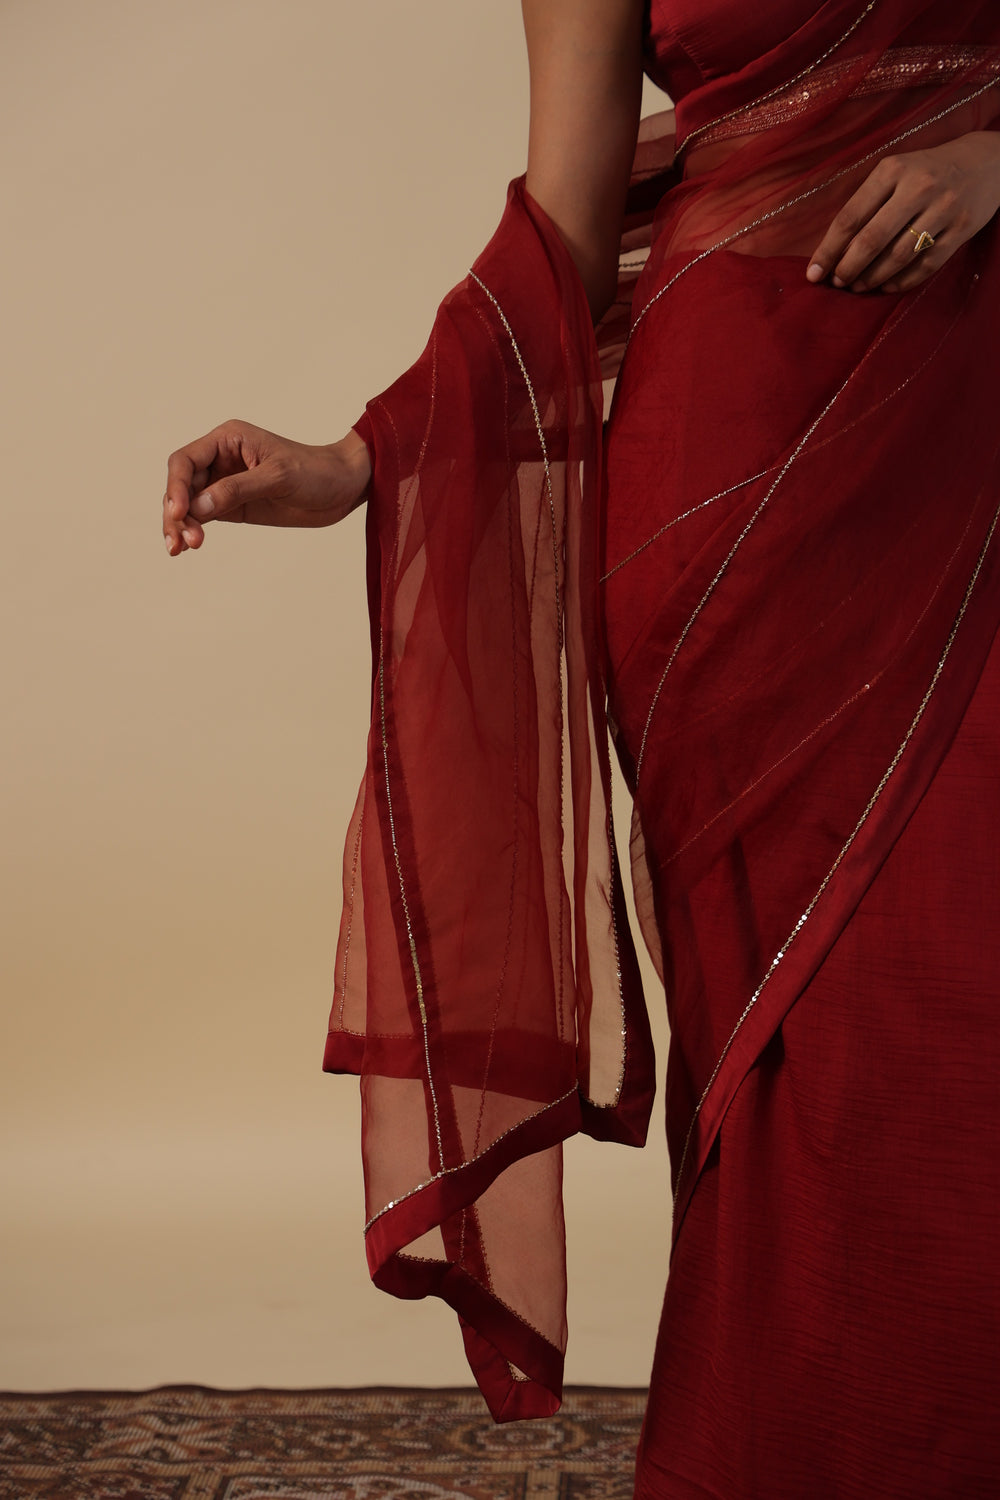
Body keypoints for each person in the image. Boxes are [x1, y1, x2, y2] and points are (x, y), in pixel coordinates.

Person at [162, 3, 1000, 1494]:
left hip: (974, 423)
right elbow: (558, 228)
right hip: (734, 481)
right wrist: (360, 458)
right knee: (811, 1047)